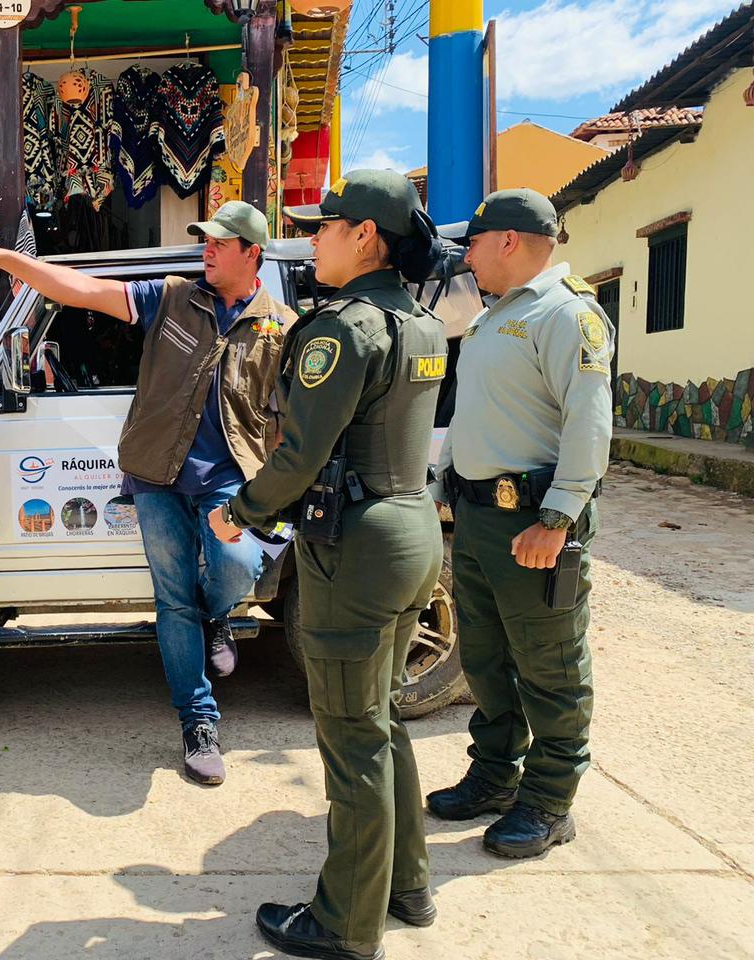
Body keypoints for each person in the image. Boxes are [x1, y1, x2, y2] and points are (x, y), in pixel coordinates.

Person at [0, 201, 295, 785]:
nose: (206, 249)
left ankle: (217, 618)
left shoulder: (281, 325)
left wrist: (277, 496)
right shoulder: (174, 297)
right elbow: (81, 289)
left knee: (236, 567)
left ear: (251, 252)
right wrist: (6, 258)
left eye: (219, 242)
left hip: (231, 483)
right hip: (157, 476)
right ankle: (198, 722)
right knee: (173, 600)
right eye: (204, 239)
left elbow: (289, 418)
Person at [208, 170, 447, 960]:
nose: (313, 237)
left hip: (359, 545)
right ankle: (405, 886)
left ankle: (345, 923)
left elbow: (301, 454)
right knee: (381, 725)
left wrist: (239, 510)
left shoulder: (342, 329)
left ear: (367, 236)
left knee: (352, 741)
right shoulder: (418, 324)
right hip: (411, 530)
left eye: (326, 224)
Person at [426, 188, 614, 859]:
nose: (467, 258)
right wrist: (446, 481)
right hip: (478, 520)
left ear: (508, 240)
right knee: (485, 659)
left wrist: (559, 517)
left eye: (473, 243)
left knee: (551, 667)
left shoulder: (569, 316)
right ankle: (496, 776)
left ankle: (549, 802)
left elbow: (589, 425)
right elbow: (476, 414)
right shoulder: (492, 317)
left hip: (533, 524)